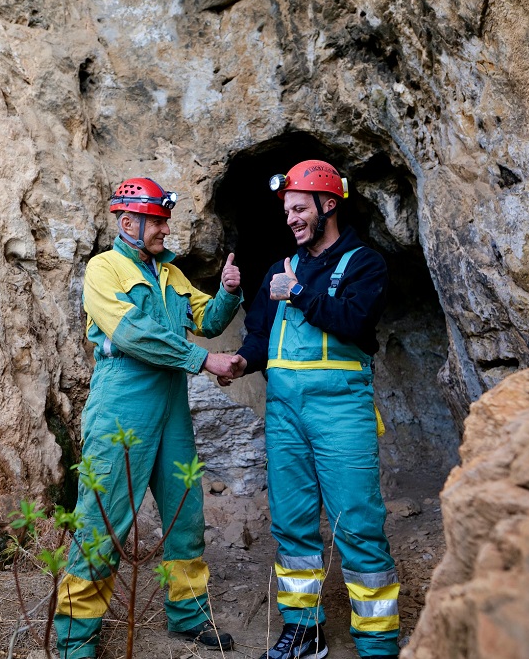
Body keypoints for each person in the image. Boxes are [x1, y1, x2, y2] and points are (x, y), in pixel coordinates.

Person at [54, 177, 243, 658]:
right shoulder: (105, 269)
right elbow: (132, 333)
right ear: (128, 222)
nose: (164, 228)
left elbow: (210, 321)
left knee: (186, 511)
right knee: (105, 518)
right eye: (157, 219)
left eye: (163, 219)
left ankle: (188, 615)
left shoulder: (172, 275)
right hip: (122, 402)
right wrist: (204, 360)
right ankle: (76, 639)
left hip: (171, 407)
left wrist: (226, 292)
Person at [232, 160, 401, 659]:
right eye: (287, 211)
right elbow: (261, 334)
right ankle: (304, 631)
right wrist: (240, 362)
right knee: (291, 523)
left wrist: (301, 293)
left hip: (341, 412)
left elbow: (354, 321)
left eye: (299, 208)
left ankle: (377, 644)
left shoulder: (365, 264)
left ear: (329, 205)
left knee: (357, 523)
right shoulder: (280, 270)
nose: (291, 218)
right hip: (284, 413)